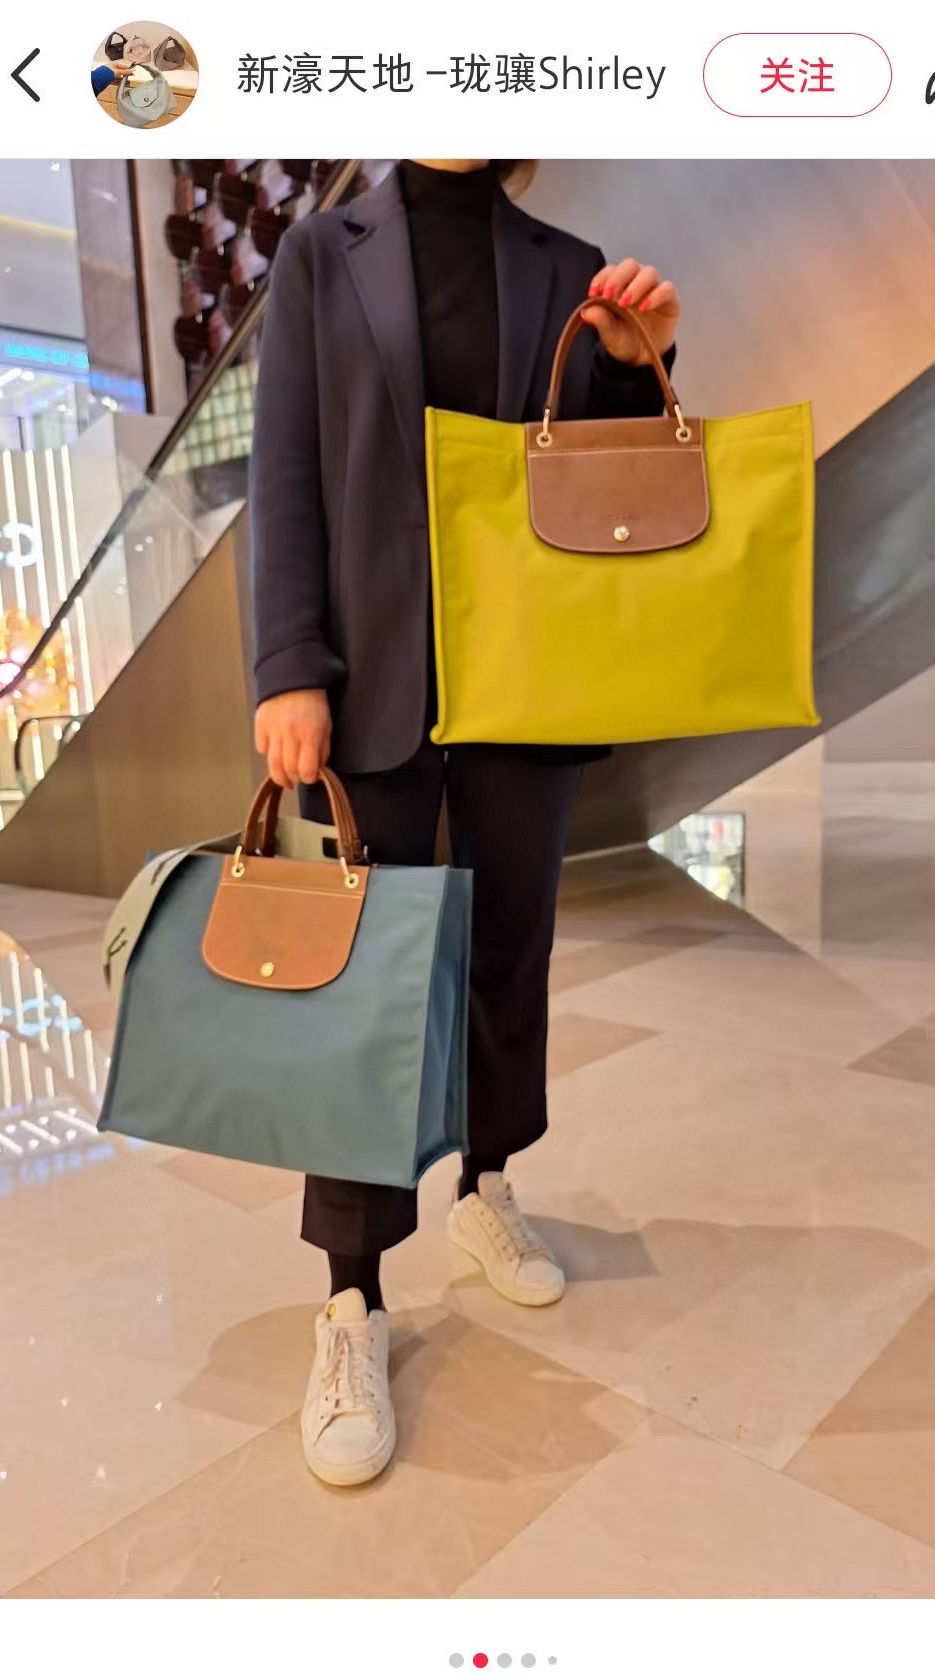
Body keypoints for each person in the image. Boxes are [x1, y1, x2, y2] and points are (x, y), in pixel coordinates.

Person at [250, 158, 680, 1488]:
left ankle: (487, 1188)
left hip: (525, 679)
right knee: (358, 992)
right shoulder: (321, 252)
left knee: (509, 954)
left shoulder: (565, 265)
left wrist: (638, 365)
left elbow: (596, 476)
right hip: (369, 678)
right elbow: (287, 473)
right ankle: (351, 1299)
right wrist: (288, 667)